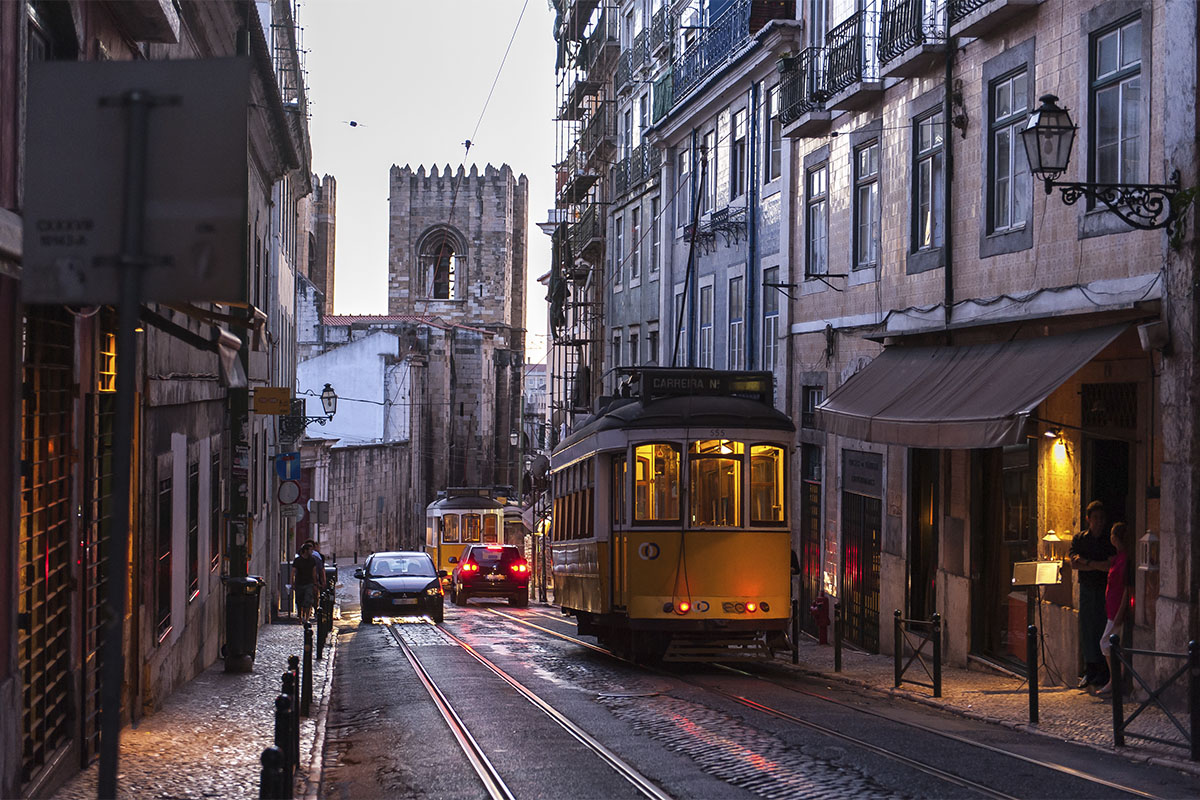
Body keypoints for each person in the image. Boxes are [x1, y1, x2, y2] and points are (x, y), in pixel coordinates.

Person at [1069, 500, 1117, 690]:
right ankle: (1090, 671)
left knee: (1102, 628)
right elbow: (1073, 563)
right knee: (1087, 628)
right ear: (1088, 519)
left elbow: (1109, 567)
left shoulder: (1108, 541)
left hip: (1104, 589)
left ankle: (1104, 672)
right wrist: (1097, 564)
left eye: (1101, 518)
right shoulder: (1080, 539)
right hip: (1087, 589)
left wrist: (1087, 562)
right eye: (1095, 518)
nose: (1098, 522)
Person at [1095, 522, 1132, 695]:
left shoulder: (1124, 560)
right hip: (1111, 606)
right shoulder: (1117, 557)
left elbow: (1126, 589)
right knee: (1111, 643)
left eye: (1111, 534)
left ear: (1115, 538)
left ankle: (1115, 679)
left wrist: (1120, 612)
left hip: (1118, 608)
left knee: (1106, 642)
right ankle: (1116, 678)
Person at [290, 541, 322, 623]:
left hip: (309, 583)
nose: (312, 552)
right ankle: (300, 617)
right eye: (310, 550)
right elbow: (293, 572)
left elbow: (314, 572)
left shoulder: (312, 560)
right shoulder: (298, 560)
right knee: (299, 601)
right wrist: (292, 582)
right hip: (299, 583)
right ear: (305, 551)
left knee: (308, 601)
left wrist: (315, 583)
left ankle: (307, 618)